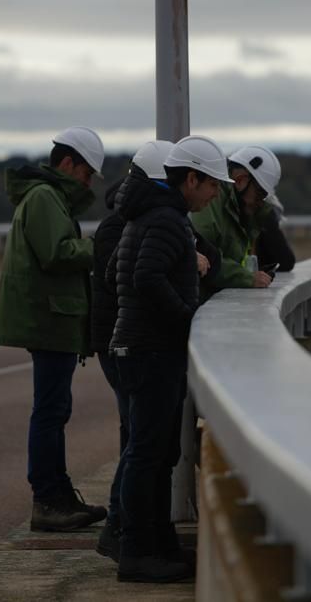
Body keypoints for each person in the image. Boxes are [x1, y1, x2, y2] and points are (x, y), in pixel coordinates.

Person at [107, 135, 231, 583]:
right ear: (191, 178)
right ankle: (138, 552)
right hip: (150, 348)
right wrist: (187, 320)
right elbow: (146, 277)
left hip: (143, 346)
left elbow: (115, 273)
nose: (216, 193)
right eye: (212, 184)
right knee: (147, 454)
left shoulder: (154, 215)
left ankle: (157, 545)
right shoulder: (164, 219)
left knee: (157, 454)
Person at [0, 126, 108, 532]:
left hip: (53, 317)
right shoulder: (45, 197)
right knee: (49, 411)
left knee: (55, 409)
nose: (88, 181)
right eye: (85, 172)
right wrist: (100, 247)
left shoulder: (49, 196)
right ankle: (48, 499)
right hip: (49, 318)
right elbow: (56, 253)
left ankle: (57, 495)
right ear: (66, 163)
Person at [191, 145, 283, 297]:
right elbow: (205, 258)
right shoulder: (210, 201)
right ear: (240, 180)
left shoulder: (238, 208)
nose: (260, 202)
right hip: (200, 306)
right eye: (260, 193)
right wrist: (247, 278)